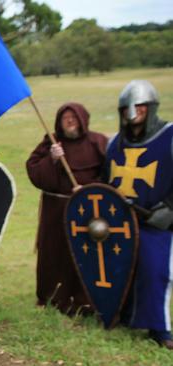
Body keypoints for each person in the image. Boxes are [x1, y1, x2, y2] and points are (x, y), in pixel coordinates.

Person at [105, 80, 173, 349]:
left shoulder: (169, 136)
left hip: (156, 221)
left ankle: (159, 329)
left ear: (151, 108)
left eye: (140, 107)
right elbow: (105, 180)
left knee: (155, 271)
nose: (133, 113)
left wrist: (169, 208)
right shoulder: (115, 144)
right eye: (127, 109)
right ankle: (123, 316)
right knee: (121, 270)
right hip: (121, 221)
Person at [26, 102, 107, 315]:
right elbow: (34, 173)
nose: (70, 121)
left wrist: (89, 190)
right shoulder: (51, 142)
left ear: (83, 119)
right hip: (56, 209)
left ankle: (85, 299)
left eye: (73, 117)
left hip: (88, 210)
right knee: (54, 253)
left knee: (85, 253)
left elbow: (110, 174)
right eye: (65, 118)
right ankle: (52, 296)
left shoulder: (98, 142)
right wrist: (51, 159)